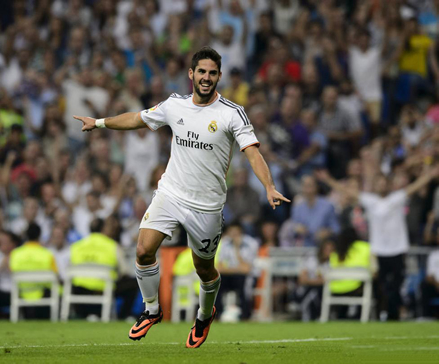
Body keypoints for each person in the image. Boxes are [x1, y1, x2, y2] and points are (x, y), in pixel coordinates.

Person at [74, 47, 290, 348]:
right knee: (143, 250)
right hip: (171, 193)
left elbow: (253, 153)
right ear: (191, 74)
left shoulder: (231, 113)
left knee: (204, 269)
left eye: (212, 73)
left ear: (219, 76)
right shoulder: (174, 105)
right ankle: (151, 310)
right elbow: (137, 118)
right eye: (201, 71)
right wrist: (99, 122)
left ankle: (204, 315)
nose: (206, 77)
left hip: (207, 206)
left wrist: (268, 186)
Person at [316, 166, 439, 320]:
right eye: (379, 183)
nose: (382, 185)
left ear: (388, 185)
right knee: (381, 284)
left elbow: (414, 187)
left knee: (397, 284)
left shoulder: (397, 198)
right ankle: (386, 312)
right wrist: (329, 180)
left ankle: (395, 313)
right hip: (379, 249)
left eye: (384, 183)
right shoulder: (370, 200)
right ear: (375, 185)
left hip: (397, 248)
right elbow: (347, 191)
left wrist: (429, 175)